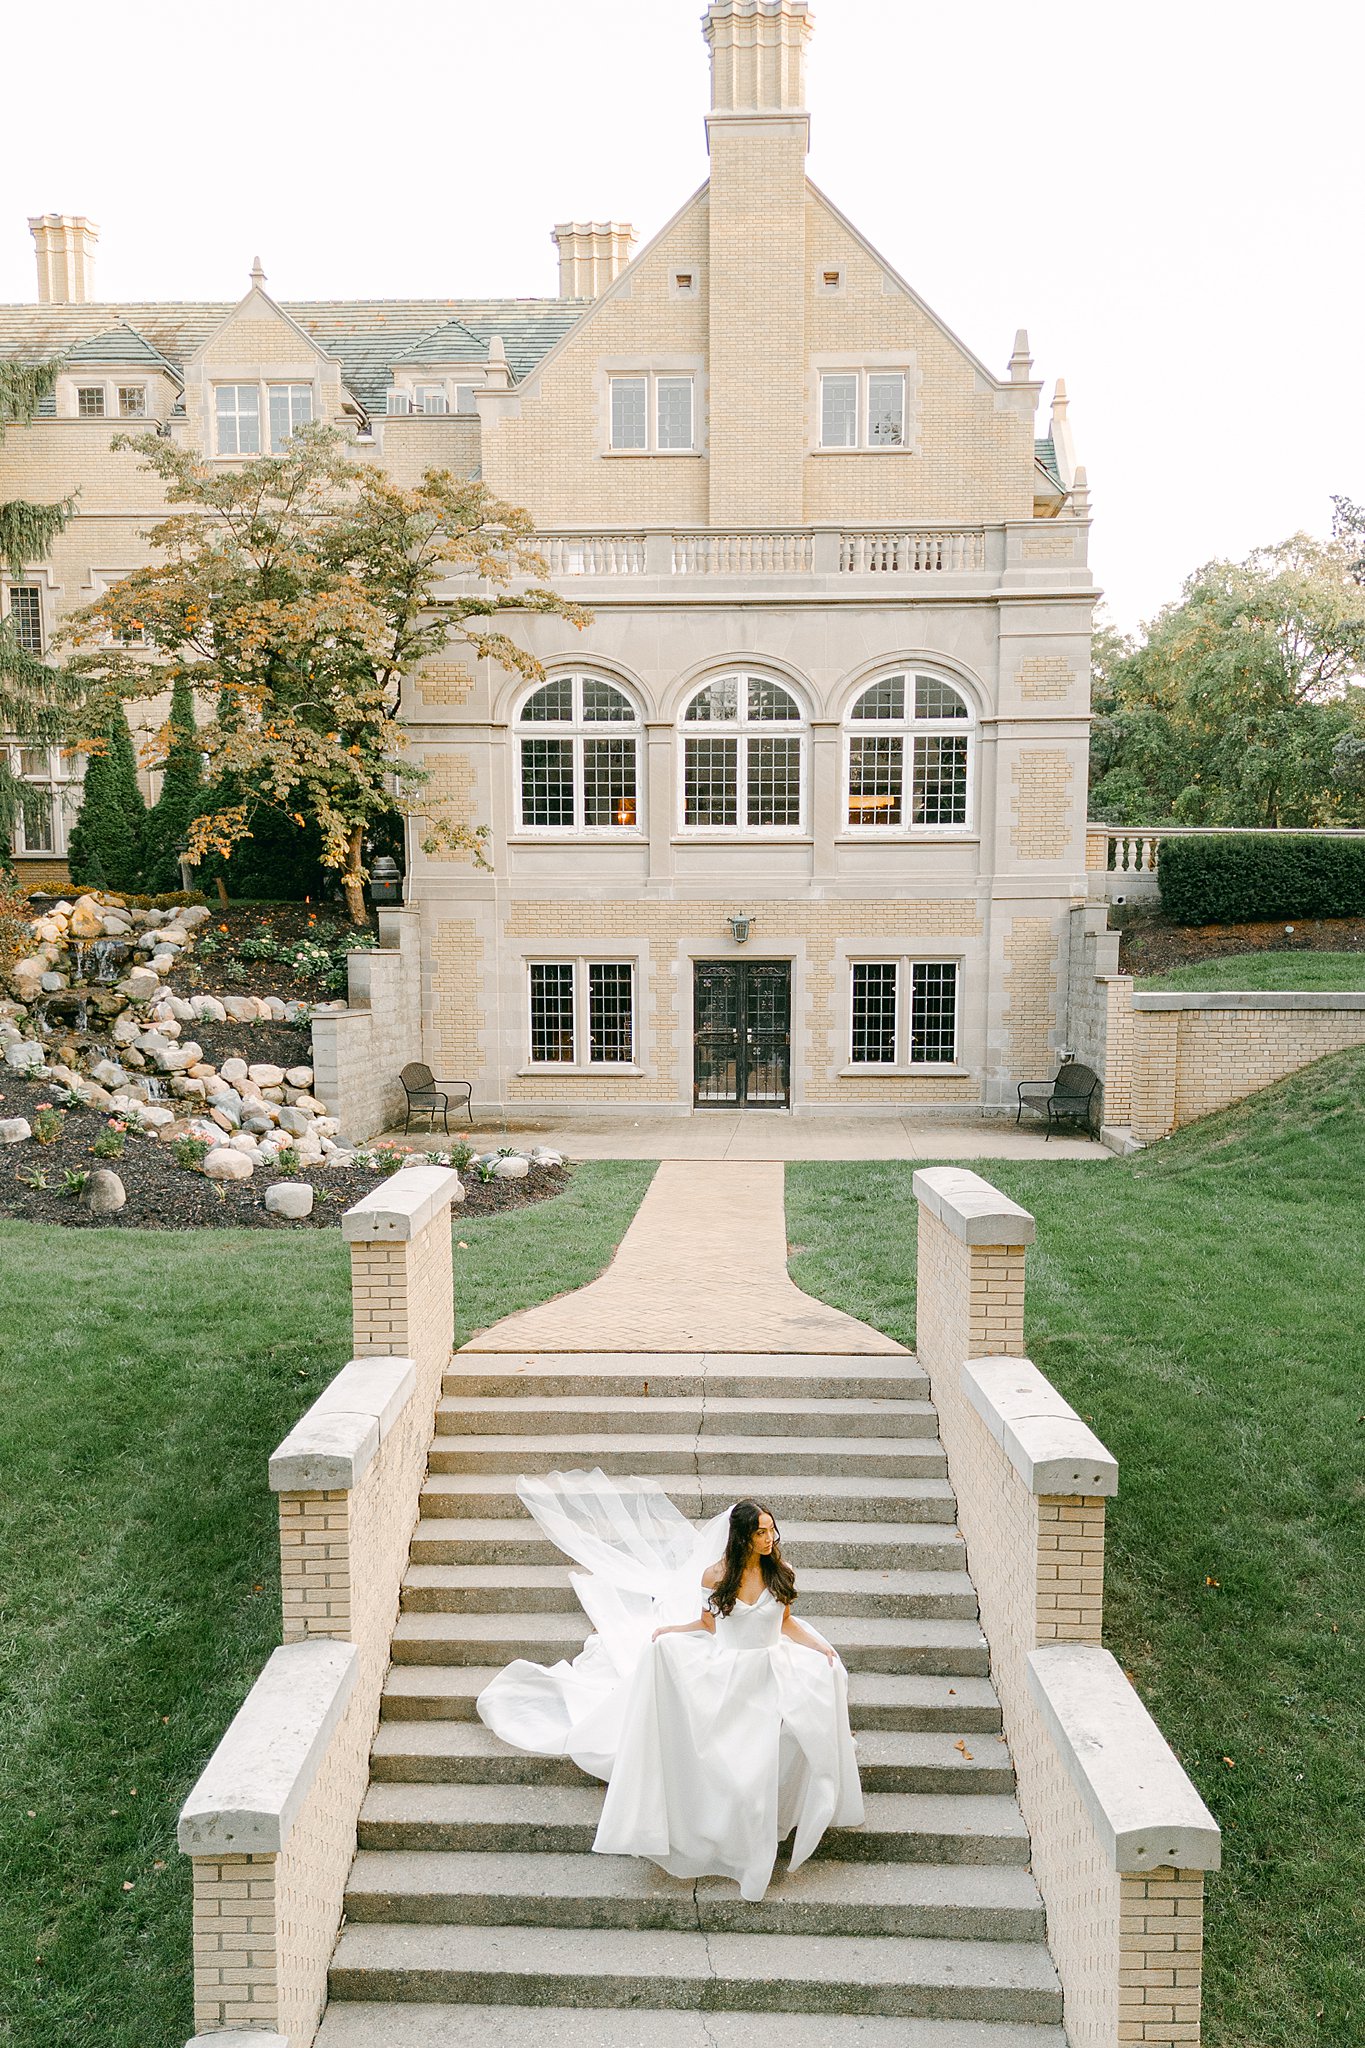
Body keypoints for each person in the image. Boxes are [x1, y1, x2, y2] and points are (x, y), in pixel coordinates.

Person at [477, 1472, 863, 1902]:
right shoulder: (716, 1576)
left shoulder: (781, 1572)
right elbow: (707, 1625)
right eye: (761, 1532)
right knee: (733, 1758)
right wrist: (670, 1633)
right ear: (742, 1537)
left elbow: (786, 1623)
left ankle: (773, 1822)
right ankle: (728, 1839)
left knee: (787, 1737)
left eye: (772, 1529)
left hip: (774, 1669)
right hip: (729, 1672)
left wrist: (821, 1650)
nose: (770, 1538)